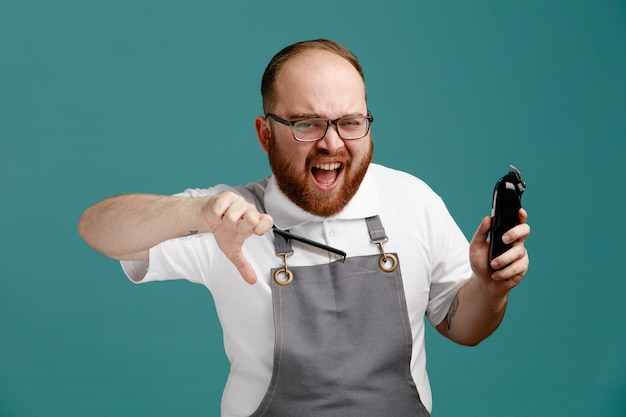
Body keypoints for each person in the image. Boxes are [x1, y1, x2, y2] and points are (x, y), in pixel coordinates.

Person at [78, 39, 530, 417]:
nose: (332, 143)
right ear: (264, 133)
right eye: (307, 124)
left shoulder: (412, 200)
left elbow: (463, 328)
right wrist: (196, 215)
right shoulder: (227, 217)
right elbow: (97, 228)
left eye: (350, 122)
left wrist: (490, 288)